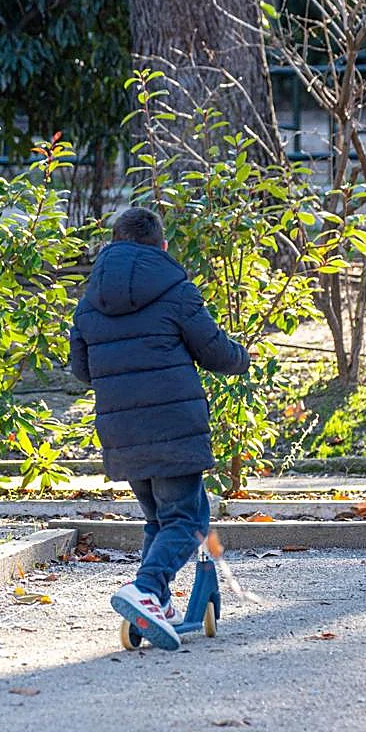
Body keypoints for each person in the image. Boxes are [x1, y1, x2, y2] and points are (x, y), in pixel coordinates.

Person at [69, 207, 249, 650]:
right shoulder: (175, 290)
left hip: (122, 430)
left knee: (159, 518)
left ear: (112, 244)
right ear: (162, 245)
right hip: (173, 426)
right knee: (189, 519)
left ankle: (157, 604)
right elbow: (214, 351)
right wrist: (242, 359)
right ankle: (146, 589)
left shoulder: (91, 299)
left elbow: (81, 368)